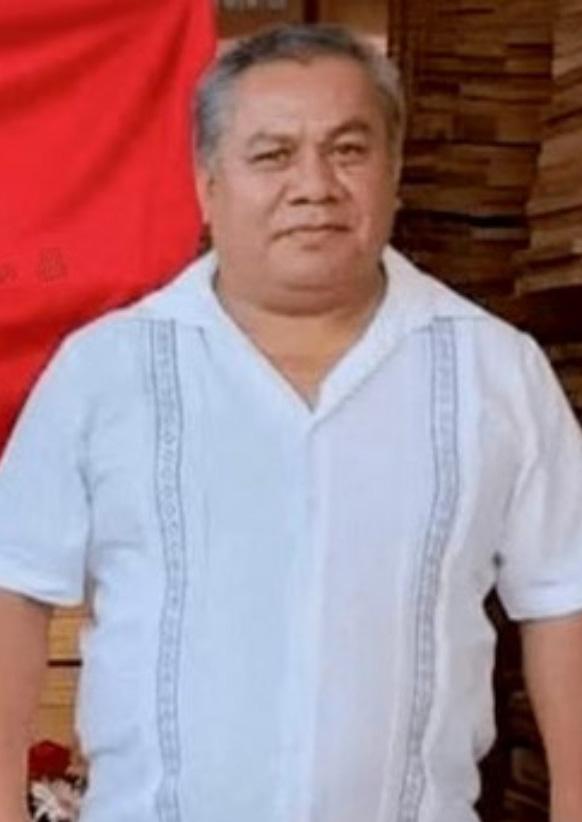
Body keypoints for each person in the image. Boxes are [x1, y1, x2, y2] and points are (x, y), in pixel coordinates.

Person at [0, 22, 581, 822]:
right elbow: (14, 586)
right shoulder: (107, 370)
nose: (314, 185)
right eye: (272, 155)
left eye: (348, 150)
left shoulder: (495, 371)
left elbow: (562, 595)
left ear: (394, 171)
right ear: (207, 183)